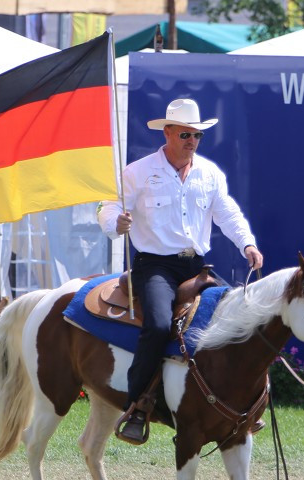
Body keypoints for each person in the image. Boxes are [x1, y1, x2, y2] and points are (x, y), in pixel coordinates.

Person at [98, 98, 263, 445]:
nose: (192, 141)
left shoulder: (210, 173)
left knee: (238, 322)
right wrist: (117, 221)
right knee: (158, 326)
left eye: (198, 135)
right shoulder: (138, 171)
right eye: (186, 134)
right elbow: (108, 207)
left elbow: (228, 213)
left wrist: (247, 244)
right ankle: (137, 406)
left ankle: (242, 406)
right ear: (169, 132)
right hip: (154, 265)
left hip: (196, 266)